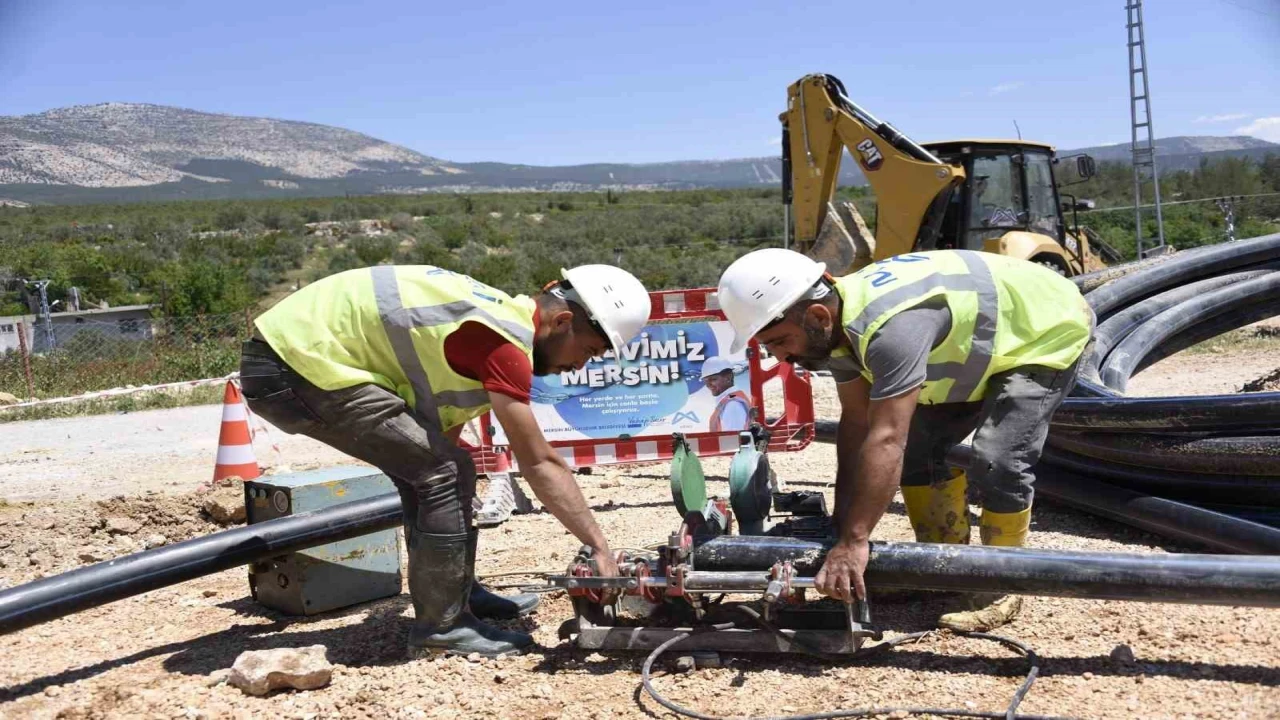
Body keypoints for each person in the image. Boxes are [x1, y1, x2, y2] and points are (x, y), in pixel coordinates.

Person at [239, 264, 651, 657]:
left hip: (297, 358)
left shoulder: (491, 324)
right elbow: (539, 463)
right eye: (590, 350)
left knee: (439, 470)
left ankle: (454, 596)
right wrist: (598, 546)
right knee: (446, 473)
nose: (581, 365)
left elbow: (437, 451)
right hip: (293, 365)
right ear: (562, 322)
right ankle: (442, 628)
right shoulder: (505, 342)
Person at [716, 248, 1093, 631]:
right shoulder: (834, 328)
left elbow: (886, 439)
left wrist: (855, 542)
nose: (782, 357)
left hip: (1043, 327)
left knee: (999, 458)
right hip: (983, 338)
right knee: (919, 452)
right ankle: (941, 570)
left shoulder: (892, 330)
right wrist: (841, 527)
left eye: (781, 342)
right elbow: (856, 426)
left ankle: (1004, 584)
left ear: (816, 316)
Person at [700, 356, 752, 432]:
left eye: (713, 379)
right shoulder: (730, 399)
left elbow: (734, 440)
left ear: (728, 378)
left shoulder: (733, 405)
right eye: (706, 381)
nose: (708, 385)